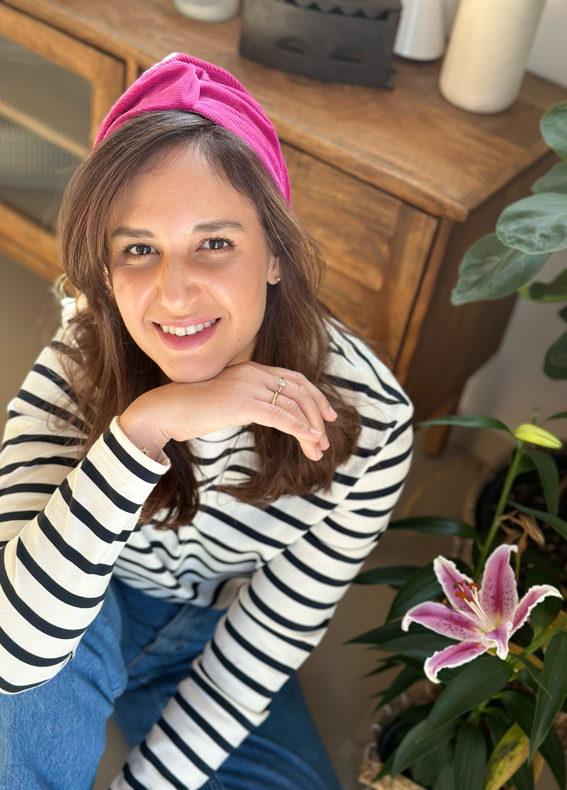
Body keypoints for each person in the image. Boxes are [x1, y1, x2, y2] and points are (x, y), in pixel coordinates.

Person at [0, 53, 413, 790]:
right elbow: (13, 657)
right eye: (138, 250)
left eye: (214, 243)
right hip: (80, 588)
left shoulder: (372, 419)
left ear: (276, 255)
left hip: (209, 630)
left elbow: (267, 641)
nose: (174, 292)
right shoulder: (76, 364)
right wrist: (141, 431)